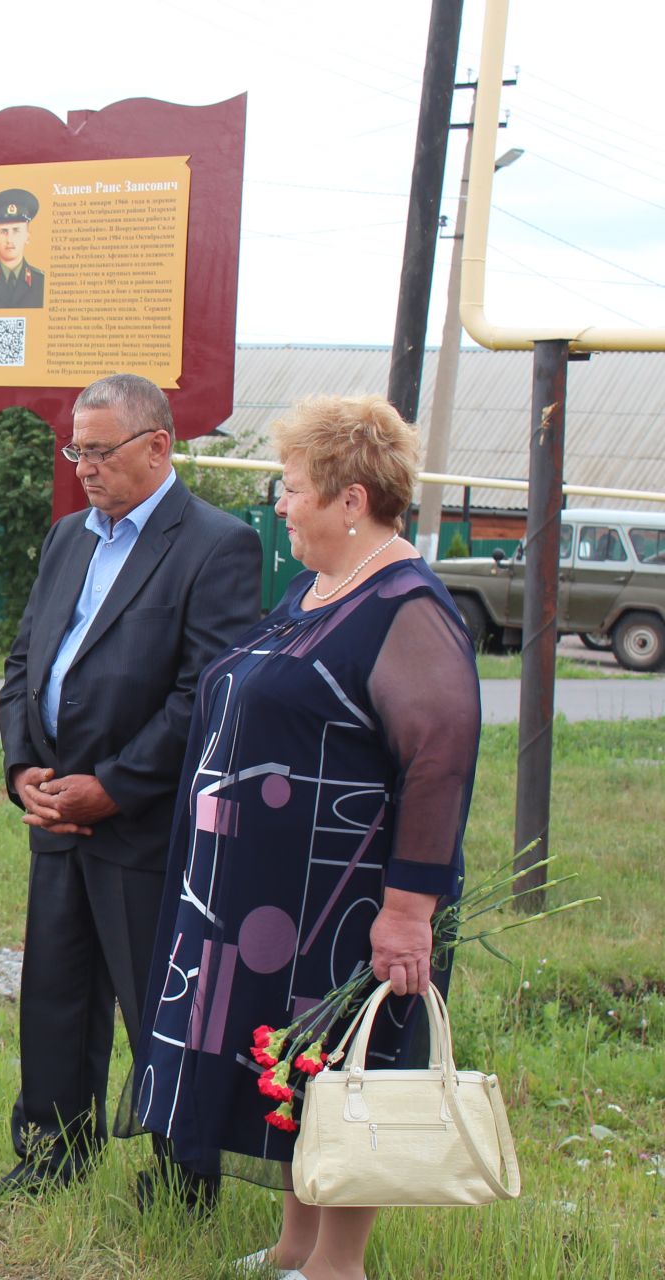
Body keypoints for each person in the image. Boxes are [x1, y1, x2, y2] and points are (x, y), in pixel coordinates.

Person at [125, 395, 480, 1280]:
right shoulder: (317, 590)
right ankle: (296, 1243)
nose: (279, 505)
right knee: (298, 1060)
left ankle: (336, 1266)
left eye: (291, 489)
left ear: (350, 500)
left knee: (346, 1068)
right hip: (271, 891)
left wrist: (408, 912)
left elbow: (439, 761)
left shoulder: (409, 608)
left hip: (349, 894)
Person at [0, 373, 261, 1205]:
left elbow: (205, 694)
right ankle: (53, 1152)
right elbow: (23, 664)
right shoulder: (69, 537)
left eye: (101, 450)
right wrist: (22, 770)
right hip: (59, 812)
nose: (84, 467)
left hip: (146, 824)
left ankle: (184, 1179)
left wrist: (111, 786)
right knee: (57, 995)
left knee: (160, 1005)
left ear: (157, 446)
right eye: (76, 449)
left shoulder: (216, 546)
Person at [0, 188, 47, 309]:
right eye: (4, 231)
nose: (10, 240)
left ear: (27, 237)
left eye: (16, 231)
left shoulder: (43, 282)